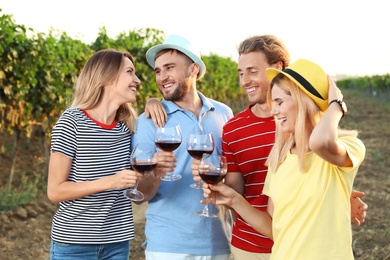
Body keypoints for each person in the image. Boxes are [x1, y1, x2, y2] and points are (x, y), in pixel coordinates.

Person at [201, 58, 366, 259]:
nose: (274, 110)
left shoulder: (348, 147)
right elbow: (273, 226)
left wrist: (336, 105)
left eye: (279, 102)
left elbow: (320, 142)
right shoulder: (279, 159)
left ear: (303, 100)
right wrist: (234, 200)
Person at [131, 34, 234, 259]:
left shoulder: (224, 113)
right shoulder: (149, 120)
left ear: (193, 69)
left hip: (220, 243)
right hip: (169, 246)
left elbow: (233, 172)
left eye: (169, 68)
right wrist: (157, 173)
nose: (162, 77)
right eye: (158, 71)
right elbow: (141, 193)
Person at [47, 49, 145, 259]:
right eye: (130, 72)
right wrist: (112, 182)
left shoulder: (126, 128)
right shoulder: (71, 123)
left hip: (117, 244)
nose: (137, 80)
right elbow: (55, 191)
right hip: (74, 245)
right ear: (107, 78)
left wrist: (155, 103)